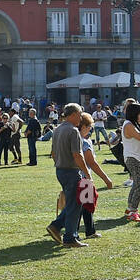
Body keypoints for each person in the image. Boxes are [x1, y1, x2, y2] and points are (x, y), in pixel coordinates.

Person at [46, 104, 91, 246]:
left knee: (72, 202)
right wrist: (86, 172)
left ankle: (57, 226)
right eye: (79, 114)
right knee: (76, 204)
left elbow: (53, 153)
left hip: (60, 170)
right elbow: (77, 155)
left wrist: (60, 162)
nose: (80, 117)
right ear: (72, 115)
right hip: (72, 171)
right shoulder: (73, 131)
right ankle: (69, 237)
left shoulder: (57, 130)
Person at [121, 103, 140, 222]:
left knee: (137, 185)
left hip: (135, 158)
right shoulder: (128, 125)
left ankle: (130, 208)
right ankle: (133, 211)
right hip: (133, 158)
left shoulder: (131, 124)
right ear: (135, 114)